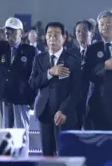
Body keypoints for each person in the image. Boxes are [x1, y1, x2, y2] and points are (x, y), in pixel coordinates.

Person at [29, 22, 82, 156]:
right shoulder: (39, 59)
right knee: (47, 154)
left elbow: (77, 89)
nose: (52, 38)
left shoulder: (73, 59)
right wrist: (50, 72)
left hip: (65, 114)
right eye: (49, 35)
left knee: (65, 153)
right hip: (44, 111)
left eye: (56, 35)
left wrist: (64, 110)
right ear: (45, 38)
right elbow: (33, 83)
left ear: (64, 37)